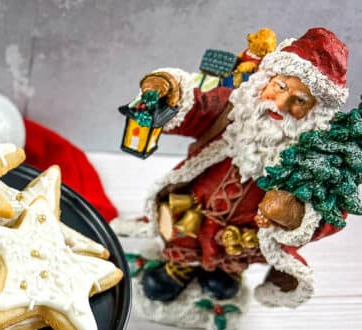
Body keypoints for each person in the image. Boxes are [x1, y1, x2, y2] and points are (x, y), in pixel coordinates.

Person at [136, 28, 349, 307]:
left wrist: (295, 213)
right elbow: (195, 107)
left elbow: (333, 212)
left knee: (232, 257)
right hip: (194, 206)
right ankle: (180, 267)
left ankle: (223, 273)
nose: (281, 105)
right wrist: (169, 91)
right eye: (281, 87)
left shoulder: (315, 159)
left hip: (242, 232)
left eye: (299, 100)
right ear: (266, 80)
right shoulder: (235, 109)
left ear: (315, 112)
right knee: (182, 235)